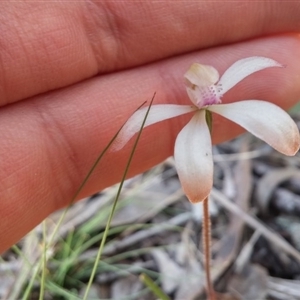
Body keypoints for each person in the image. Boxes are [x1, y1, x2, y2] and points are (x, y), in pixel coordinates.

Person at [1, 1, 300, 253]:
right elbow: (136, 138)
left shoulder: (244, 96)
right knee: (199, 185)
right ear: (190, 89)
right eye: (195, 84)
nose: (204, 85)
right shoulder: (168, 118)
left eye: (207, 81)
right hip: (194, 122)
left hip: (223, 110)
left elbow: (287, 139)